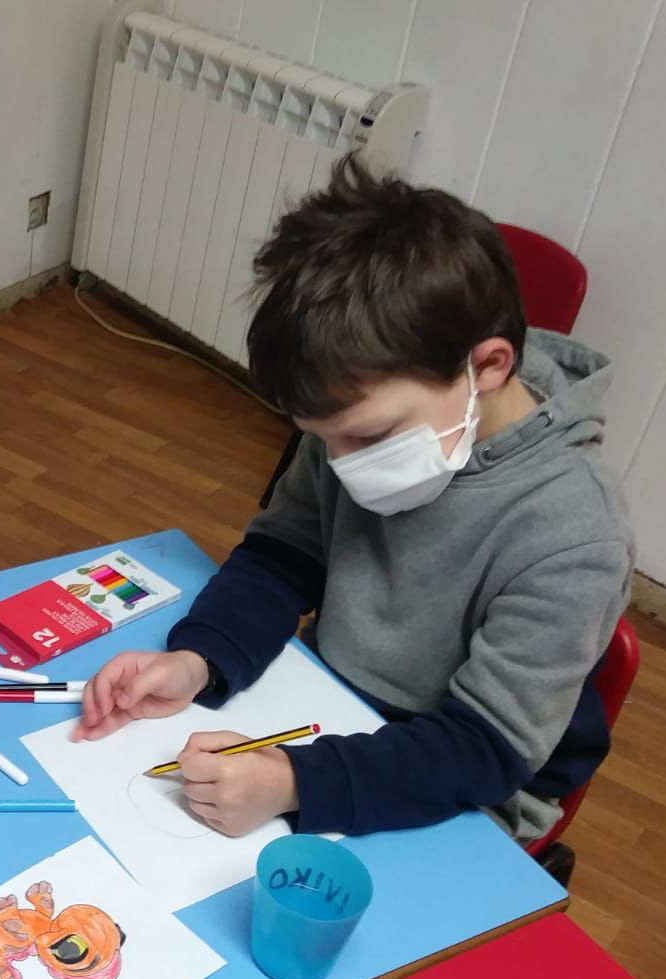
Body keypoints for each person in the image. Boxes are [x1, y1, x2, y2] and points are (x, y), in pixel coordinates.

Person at [75, 158, 633, 843]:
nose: (341, 463)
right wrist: (200, 659)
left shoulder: (574, 533)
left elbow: (486, 749)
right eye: (321, 438)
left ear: (487, 367)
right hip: (328, 711)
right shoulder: (361, 415)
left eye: (367, 437)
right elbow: (283, 554)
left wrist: (295, 784)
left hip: (469, 786)